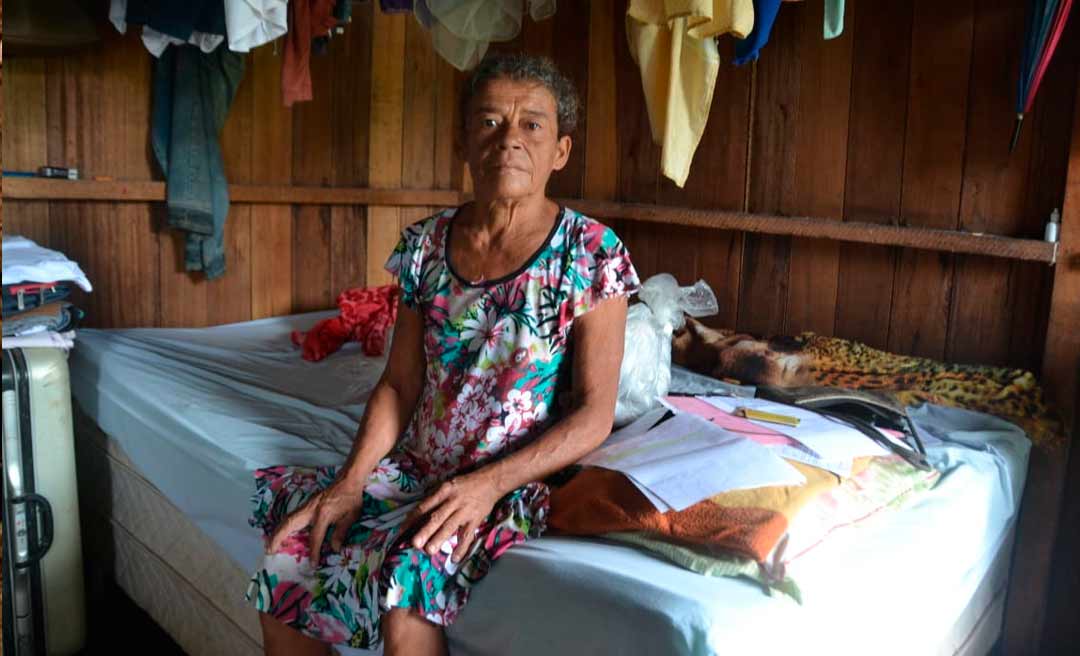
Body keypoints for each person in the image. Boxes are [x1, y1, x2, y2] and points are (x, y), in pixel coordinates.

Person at [246, 52, 641, 656]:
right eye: (489, 123)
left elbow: (593, 413)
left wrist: (486, 487)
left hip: (513, 479)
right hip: (418, 465)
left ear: (560, 151)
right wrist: (352, 481)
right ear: (464, 142)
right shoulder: (426, 244)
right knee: (288, 559)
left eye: (531, 125)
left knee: (404, 600)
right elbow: (399, 385)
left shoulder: (590, 251)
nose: (509, 140)